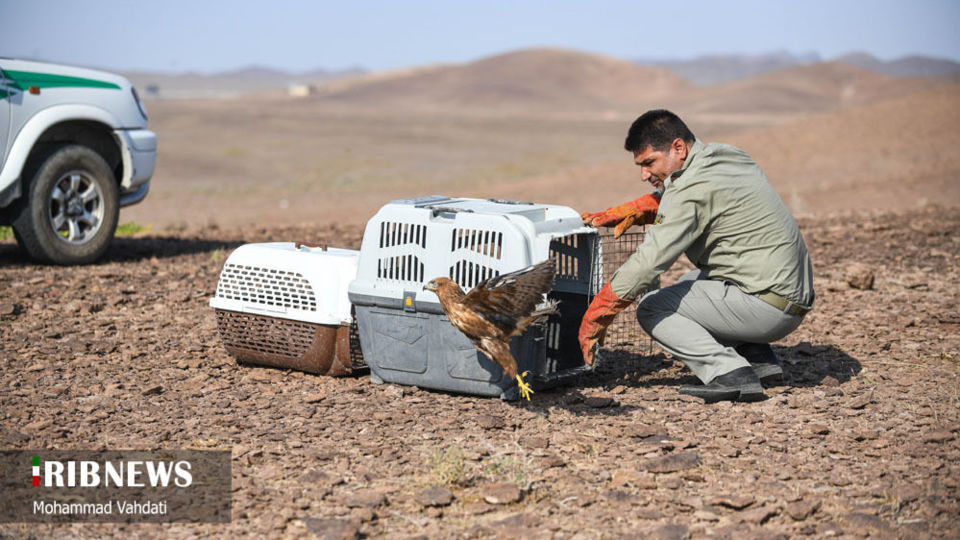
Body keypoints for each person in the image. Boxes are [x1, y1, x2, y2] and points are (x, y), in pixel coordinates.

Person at [578, 109, 815, 402]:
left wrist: (598, 313)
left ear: (678, 148)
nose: (644, 175)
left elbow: (649, 261)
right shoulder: (727, 155)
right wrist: (648, 206)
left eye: (649, 162)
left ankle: (730, 374)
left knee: (652, 307)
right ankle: (757, 359)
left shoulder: (688, 189)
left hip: (768, 308)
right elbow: (705, 196)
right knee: (692, 280)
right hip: (787, 298)